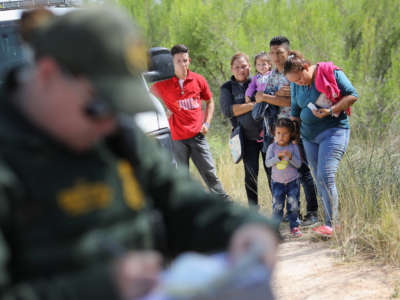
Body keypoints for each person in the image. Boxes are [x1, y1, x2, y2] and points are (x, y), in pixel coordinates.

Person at [0, 8, 280, 300]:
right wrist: (105, 286)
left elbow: (182, 199)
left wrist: (244, 226)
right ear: (48, 75)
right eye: (100, 106)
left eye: (121, 108)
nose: (111, 121)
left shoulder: (116, 136)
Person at [284, 50, 358, 237]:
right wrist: (292, 136)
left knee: (326, 176)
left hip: (334, 131)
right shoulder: (295, 84)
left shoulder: (330, 72)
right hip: (309, 137)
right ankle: (329, 223)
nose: (299, 83)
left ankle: (333, 224)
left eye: (300, 78)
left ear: (306, 67)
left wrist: (331, 109)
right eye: (295, 82)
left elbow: (352, 95)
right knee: (319, 178)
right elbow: (294, 109)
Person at [253, 36, 319, 226]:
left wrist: (265, 96)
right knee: (283, 169)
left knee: (303, 169)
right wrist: (270, 97)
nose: (275, 56)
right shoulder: (273, 74)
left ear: (288, 52)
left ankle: (313, 212)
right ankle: (291, 213)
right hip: (279, 131)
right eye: (272, 52)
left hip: (297, 127)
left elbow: (290, 101)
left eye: (279, 52)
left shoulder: (293, 73)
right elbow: (273, 101)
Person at [150, 44, 229, 200]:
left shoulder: (198, 80)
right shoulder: (163, 85)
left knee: (210, 173)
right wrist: (162, 111)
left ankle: (225, 204)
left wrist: (207, 123)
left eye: (185, 60)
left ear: (189, 61)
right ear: (172, 63)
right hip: (177, 139)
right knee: (182, 177)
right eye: (178, 61)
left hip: (197, 136)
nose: (183, 64)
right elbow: (145, 95)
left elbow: (210, 102)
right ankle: (188, 210)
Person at [219, 53, 267, 208]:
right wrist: (253, 105)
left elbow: (268, 101)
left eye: (244, 66)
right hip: (246, 139)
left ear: (249, 67)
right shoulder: (227, 87)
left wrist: (240, 108)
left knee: (274, 174)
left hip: (268, 135)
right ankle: (254, 211)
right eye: (237, 67)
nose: (241, 70)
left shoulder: (259, 81)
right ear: (232, 69)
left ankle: (280, 210)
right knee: (251, 175)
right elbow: (227, 111)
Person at [265, 118, 302, 237]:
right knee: (277, 206)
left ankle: (295, 227)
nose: (281, 136)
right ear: (274, 133)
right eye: (278, 133)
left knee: (294, 205)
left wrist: (291, 157)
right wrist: (277, 158)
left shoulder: (293, 147)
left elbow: (299, 164)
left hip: (293, 182)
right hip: (277, 183)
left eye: (285, 133)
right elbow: (267, 163)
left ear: (290, 134)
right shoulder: (272, 148)